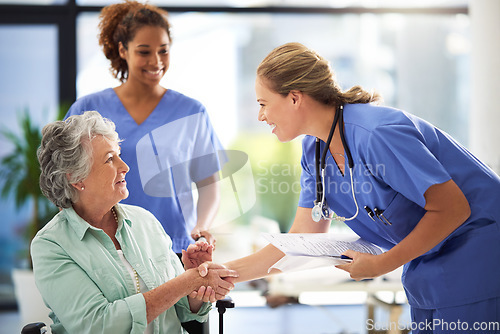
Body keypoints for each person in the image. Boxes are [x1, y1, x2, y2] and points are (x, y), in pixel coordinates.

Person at [215, 42, 500, 333]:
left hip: (478, 260)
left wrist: (382, 264)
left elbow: (453, 207)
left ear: (295, 98)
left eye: (263, 104)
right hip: (427, 273)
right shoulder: (314, 151)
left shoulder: (377, 134)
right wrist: (222, 275)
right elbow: (301, 239)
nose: (260, 116)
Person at [33, 111, 237, 334]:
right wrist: (185, 282)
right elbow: (98, 326)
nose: (125, 167)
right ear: (75, 178)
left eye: (119, 155)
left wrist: (196, 286)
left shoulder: (145, 221)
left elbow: (182, 312)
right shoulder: (51, 245)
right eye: (110, 159)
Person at [65, 0, 224, 255]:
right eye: (144, 51)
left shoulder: (192, 111)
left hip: (174, 249)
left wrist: (201, 226)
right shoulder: (88, 108)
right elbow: (66, 179)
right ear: (123, 50)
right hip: (105, 249)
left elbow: (209, 183)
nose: (156, 61)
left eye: (163, 50)